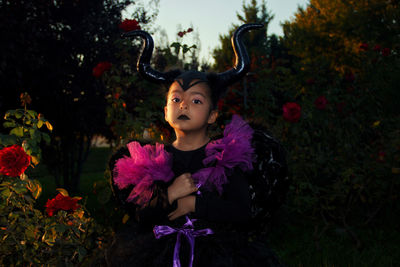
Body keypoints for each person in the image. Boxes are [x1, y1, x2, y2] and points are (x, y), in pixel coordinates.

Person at [106, 24, 289, 267]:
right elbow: (141, 215)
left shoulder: (225, 157)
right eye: (176, 99)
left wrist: (196, 204)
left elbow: (242, 212)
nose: (183, 106)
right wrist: (169, 194)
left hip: (217, 253)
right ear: (165, 112)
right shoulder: (153, 162)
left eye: (196, 100)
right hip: (160, 253)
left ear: (213, 115)